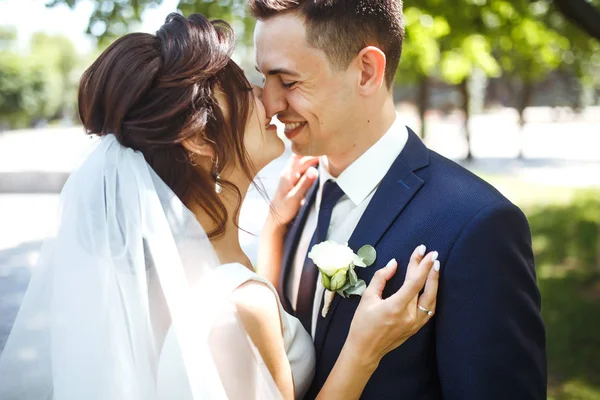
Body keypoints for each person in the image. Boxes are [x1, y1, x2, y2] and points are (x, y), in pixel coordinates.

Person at [0, 13, 440, 400]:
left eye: (284, 81)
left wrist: (273, 230)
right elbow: (237, 319)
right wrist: (363, 350)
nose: (269, 99)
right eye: (245, 87)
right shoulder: (237, 306)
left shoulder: (170, 268)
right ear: (197, 137)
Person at [251, 0, 547, 399]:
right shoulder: (291, 202)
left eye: (287, 82)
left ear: (367, 71)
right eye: (264, 79)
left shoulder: (475, 225)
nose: (269, 104)